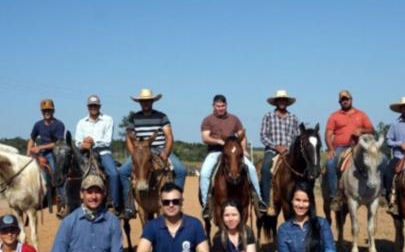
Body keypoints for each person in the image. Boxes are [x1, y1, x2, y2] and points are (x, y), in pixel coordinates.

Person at [119, 88, 187, 219]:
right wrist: (134, 154)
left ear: (152, 101)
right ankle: (129, 205)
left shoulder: (162, 116)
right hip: (140, 151)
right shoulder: (134, 118)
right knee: (122, 172)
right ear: (139, 102)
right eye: (143, 101)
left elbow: (169, 136)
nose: (145, 103)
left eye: (148, 101)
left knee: (181, 170)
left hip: (159, 149)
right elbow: (128, 137)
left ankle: (176, 199)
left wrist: (166, 152)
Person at [199, 94, 266, 219]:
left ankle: (258, 200)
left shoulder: (234, 119)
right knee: (204, 173)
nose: (220, 108)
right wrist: (219, 141)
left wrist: (243, 150)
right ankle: (206, 204)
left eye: (223, 105)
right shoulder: (208, 120)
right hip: (215, 152)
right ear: (213, 106)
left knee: (251, 168)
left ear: (226, 105)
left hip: (234, 152)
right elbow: (205, 137)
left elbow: (242, 135)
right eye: (218, 106)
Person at [324, 89, 375, 211]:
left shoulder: (361, 114)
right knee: (330, 163)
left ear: (351, 100)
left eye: (347, 99)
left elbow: (372, 130)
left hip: (359, 146)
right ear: (339, 102)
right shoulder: (334, 116)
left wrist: (361, 131)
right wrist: (331, 148)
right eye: (342, 100)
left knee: (377, 160)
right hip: (340, 147)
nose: (345, 101)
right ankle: (335, 196)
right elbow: (328, 134)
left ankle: (379, 192)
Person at [75, 95, 121, 213]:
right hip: (85, 154)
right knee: (70, 175)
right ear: (87, 107)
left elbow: (107, 141)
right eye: (91, 106)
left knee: (114, 174)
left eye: (95, 106)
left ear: (99, 106)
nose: (93, 108)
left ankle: (113, 204)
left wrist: (92, 143)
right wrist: (83, 144)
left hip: (103, 153)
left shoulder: (108, 119)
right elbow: (77, 141)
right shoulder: (81, 122)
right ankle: (67, 203)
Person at [259, 90, 301, 211]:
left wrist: (288, 147)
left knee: (302, 170)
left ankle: (303, 198)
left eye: (284, 100)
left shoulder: (293, 118)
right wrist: (276, 146)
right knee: (266, 168)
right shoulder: (268, 116)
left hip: (289, 151)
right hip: (272, 151)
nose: (282, 102)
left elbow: (297, 136)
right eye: (279, 100)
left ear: (287, 102)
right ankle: (266, 202)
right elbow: (263, 135)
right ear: (276, 102)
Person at [27, 98, 66, 209]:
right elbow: (31, 138)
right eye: (44, 111)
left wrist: (40, 147)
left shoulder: (59, 125)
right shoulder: (38, 125)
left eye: (49, 110)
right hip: (40, 153)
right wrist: (28, 153)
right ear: (41, 112)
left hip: (54, 152)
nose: (47, 113)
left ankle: (62, 198)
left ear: (53, 111)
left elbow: (57, 143)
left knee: (57, 173)